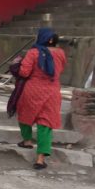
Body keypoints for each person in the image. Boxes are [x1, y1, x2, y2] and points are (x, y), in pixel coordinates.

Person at [16, 28, 67, 170]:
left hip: (32, 90)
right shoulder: (61, 53)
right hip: (52, 92)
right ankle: (40, 159)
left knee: (24, 114)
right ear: (52, 40)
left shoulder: (33, 52)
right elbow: (60, 70)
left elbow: (24, 72)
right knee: (45, 124)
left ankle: (27, 140)